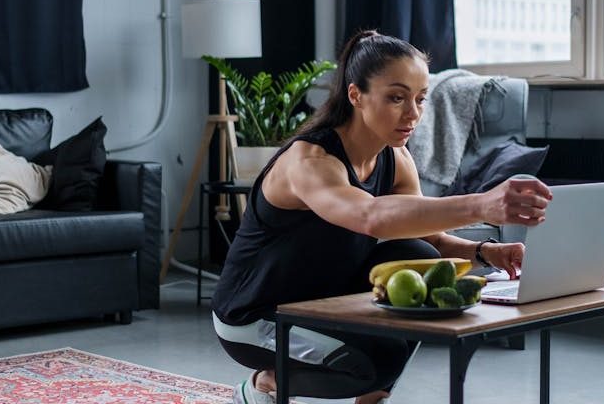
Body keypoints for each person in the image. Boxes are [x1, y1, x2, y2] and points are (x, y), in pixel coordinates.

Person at [212, 30, 552, 404]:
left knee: (420, 256)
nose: (413, 114)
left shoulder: (396, 158)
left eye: (420, 99)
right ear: (356, 95)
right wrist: (481, 204)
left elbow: (431, 239)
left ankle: (372, 400)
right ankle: (263, 384)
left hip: (323, 304)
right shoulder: (309, 161)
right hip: (255, 316)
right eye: (396, 98)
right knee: (375, 364)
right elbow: (370, 216)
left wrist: (487, 252)